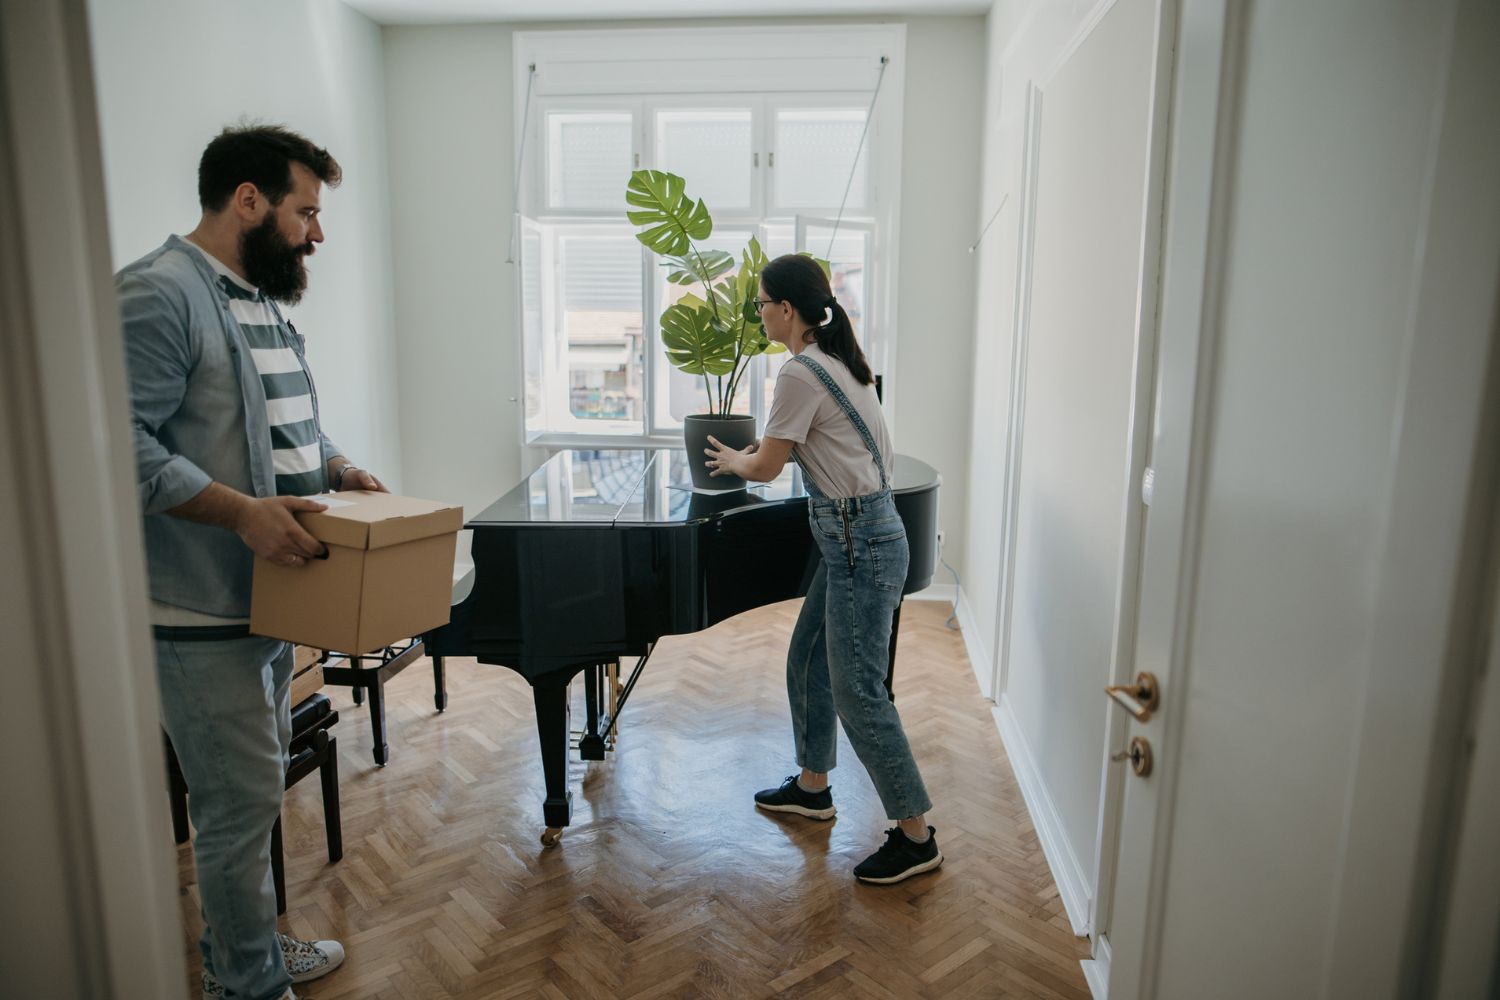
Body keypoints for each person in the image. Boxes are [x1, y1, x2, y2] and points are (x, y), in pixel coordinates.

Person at [119, 124, 385, 1000]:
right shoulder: (159, 295)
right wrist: (240, 515)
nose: (317, 232)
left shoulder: (259, 299)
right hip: (198, 620)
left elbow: (283, 426)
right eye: (305, 211)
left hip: (271, 608)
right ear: (248, 200)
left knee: (254, 800)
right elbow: (118, 447)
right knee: (236, 817)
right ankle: (246, 985)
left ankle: (252, 956)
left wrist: (339, 466)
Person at [704, 254, 942, 885]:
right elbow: (797, 444)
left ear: (787, 309)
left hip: (858, 541)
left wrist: (732, 461)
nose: (758, 313)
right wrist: (754, 451)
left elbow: (765, 468)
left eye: (761, 303)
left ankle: (916, 835)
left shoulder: (800, 373)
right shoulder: (839, 364)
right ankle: (813, 787)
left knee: (858, 692)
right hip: (858, 537)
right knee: (809, 659)